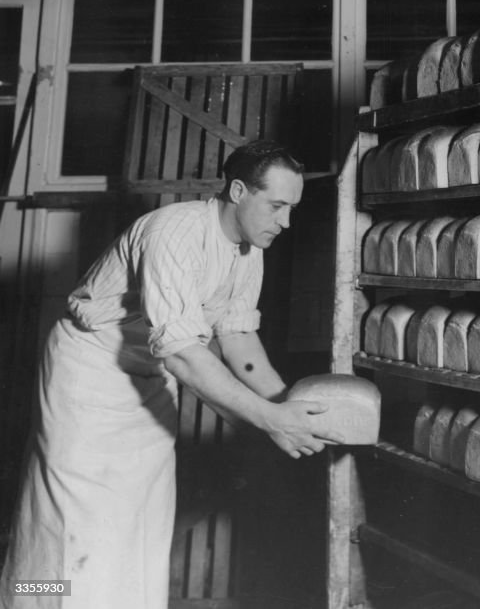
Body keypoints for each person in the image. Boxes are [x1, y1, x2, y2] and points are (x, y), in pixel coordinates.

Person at [0, 140, 333, 609]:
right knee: (74, 525)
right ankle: (27, 597)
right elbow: (181, 352)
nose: (286, 221)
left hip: (149, 379)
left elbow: (236, 337)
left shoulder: (247, 249)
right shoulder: (173, 232)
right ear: (238, 190)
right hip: (89, 373)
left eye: (291, 208)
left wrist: (285, 404)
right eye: (277, 205)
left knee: (140, 526)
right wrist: (269, 419)